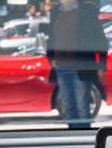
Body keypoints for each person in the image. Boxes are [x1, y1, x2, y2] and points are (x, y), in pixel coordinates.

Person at [46, 0, 108, 129]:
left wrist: (101, 64)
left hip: (81, 66)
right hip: (61, 66)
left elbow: (99, 39)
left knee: (82, 105)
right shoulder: (56, 11)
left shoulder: (87, 10)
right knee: (68, 106)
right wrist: (51, 58)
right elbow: (51, 37)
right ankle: (72, 138)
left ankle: (84, 139)